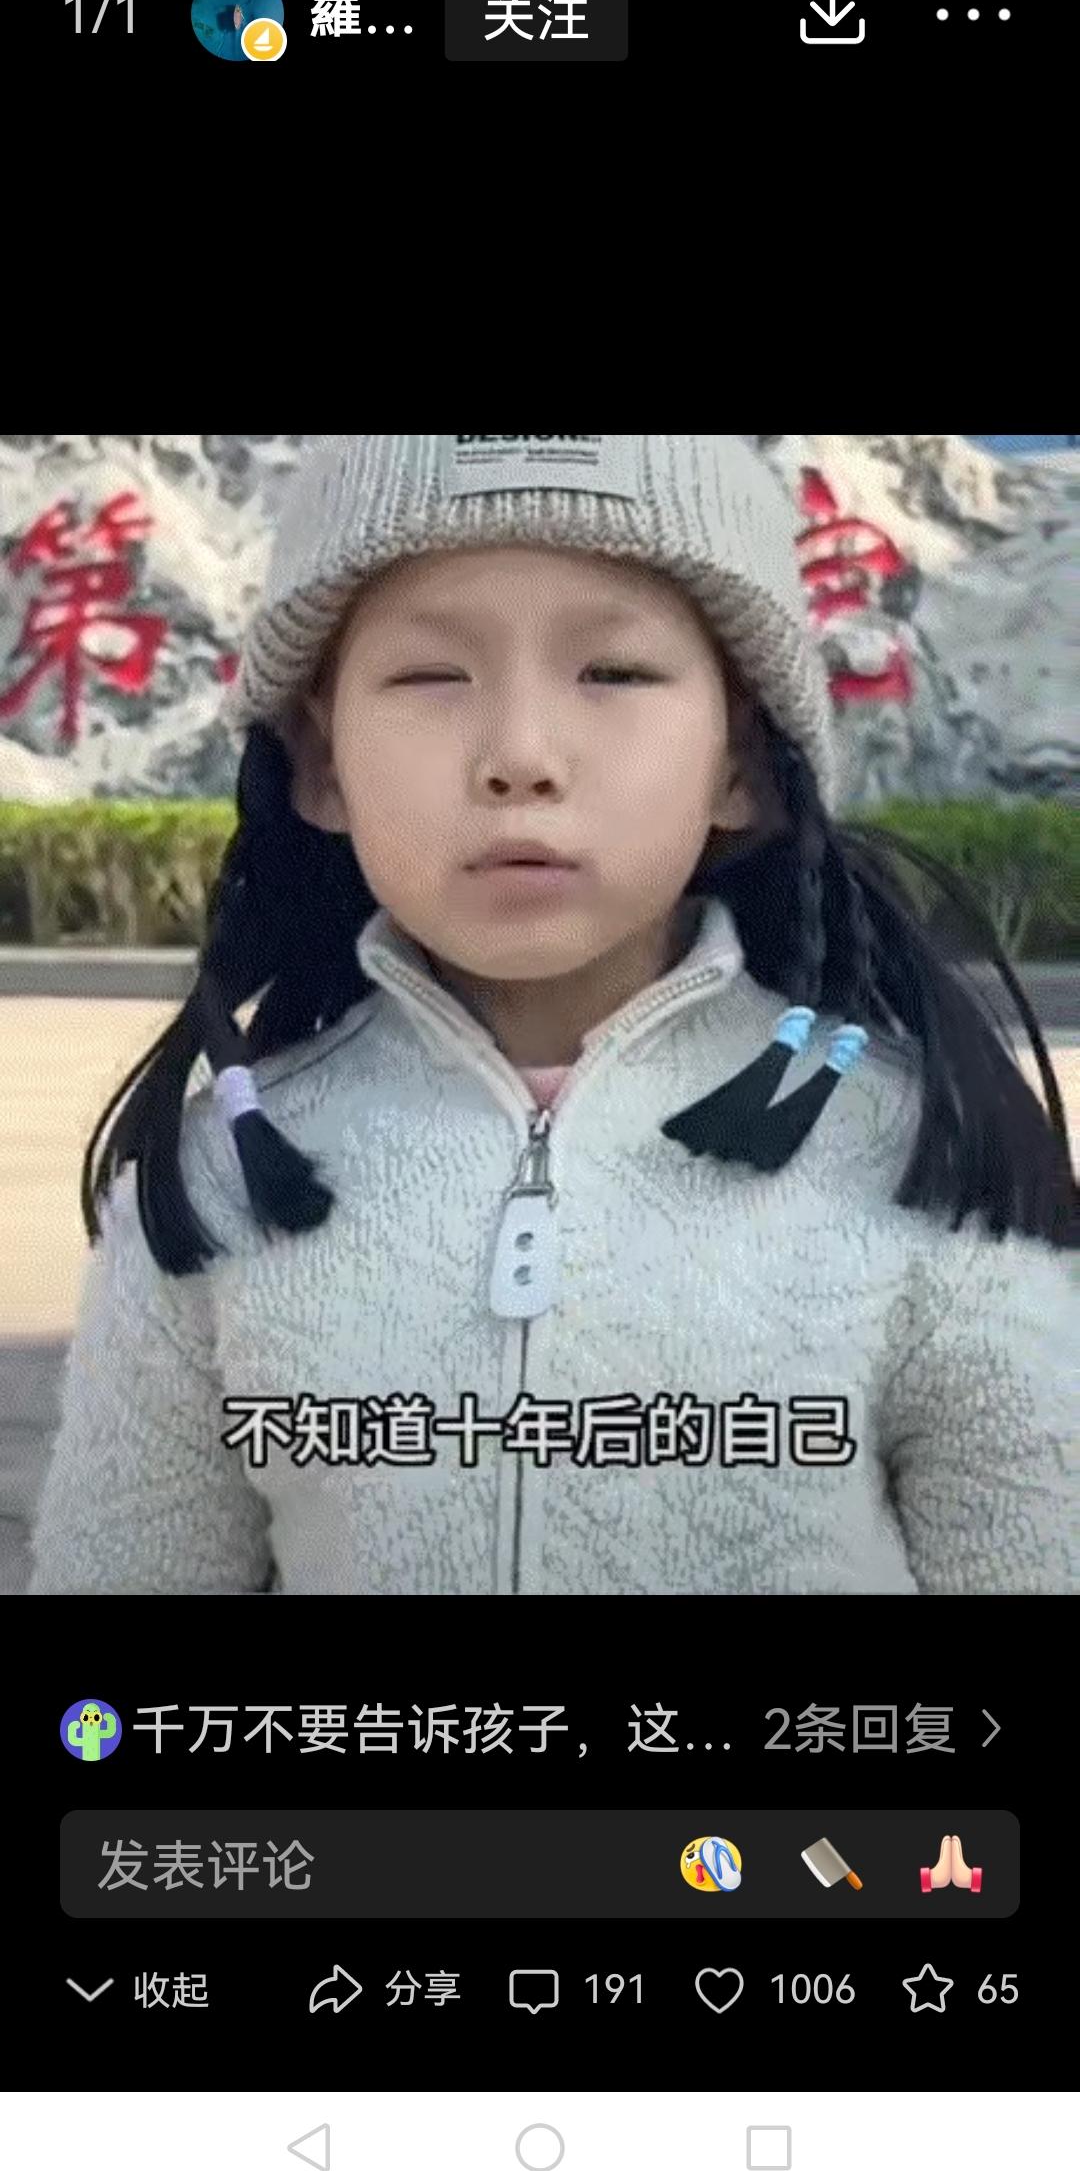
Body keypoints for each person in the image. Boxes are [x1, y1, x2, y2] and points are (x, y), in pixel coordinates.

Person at [28, 435, 1079, 1596]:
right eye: (432, 677)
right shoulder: (217, 1184)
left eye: (614, 673)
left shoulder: (918, 1158)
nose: (520, 756)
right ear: (320, 764)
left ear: (743, 761)